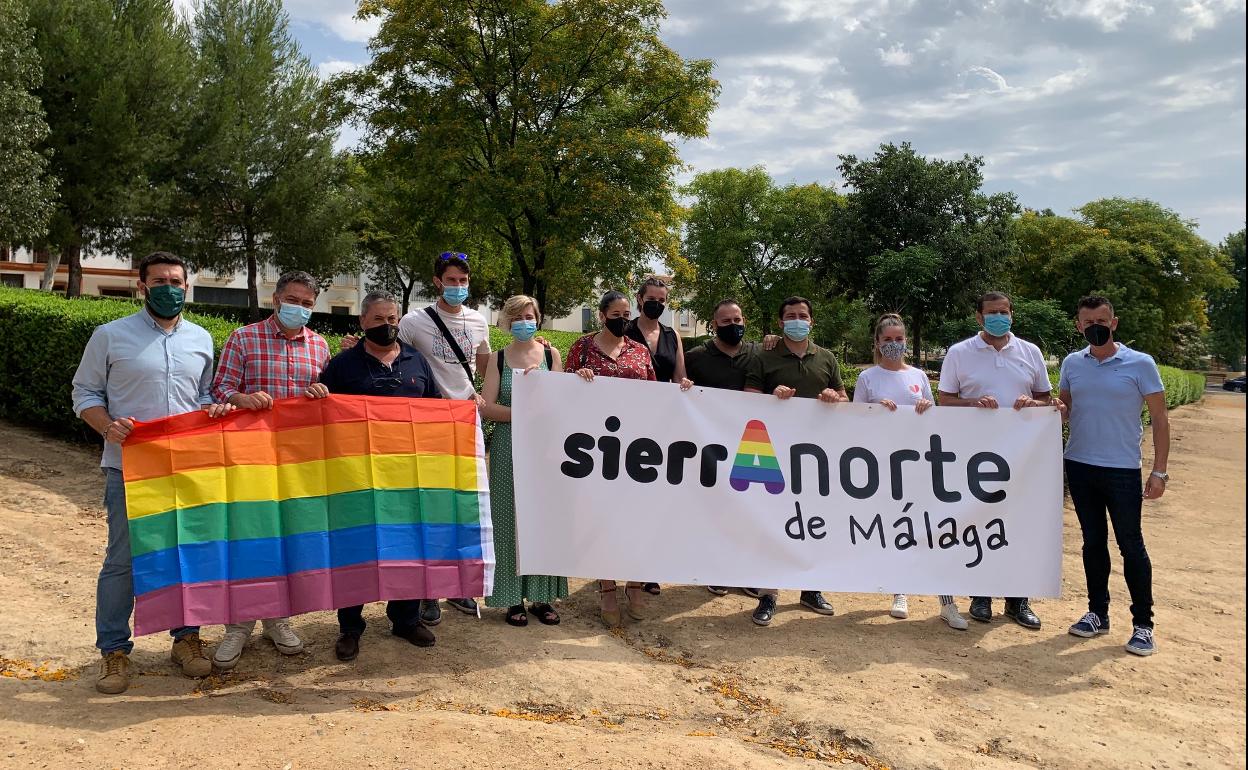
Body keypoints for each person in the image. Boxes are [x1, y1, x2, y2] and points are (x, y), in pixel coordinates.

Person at [71, 251, 234, 694]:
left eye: (177, 281)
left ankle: (186, 640)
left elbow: (201, 396)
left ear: (187, 286)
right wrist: (107, 427)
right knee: (123, 559)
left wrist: (213, 409)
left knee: (185, 552)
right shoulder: (110, 335)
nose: (169, 287)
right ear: (142, 285)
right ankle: (114, 651)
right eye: (159, 280)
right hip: (128, 467)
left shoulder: (201, 338)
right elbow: (83, 393)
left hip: (185, 469)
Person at [209, 270, 332, 670]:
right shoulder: (243, 338)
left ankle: (278, 619)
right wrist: (241, 398)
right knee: (248, 537)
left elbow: (329, 401)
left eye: (308, 303)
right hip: (249, 457)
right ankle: (237, 625)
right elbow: (219, 390)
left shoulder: (319, 346)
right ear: (276, 298)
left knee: (287, 541)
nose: (300, 308)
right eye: (293, 299)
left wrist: (321, 394)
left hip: (298, 462)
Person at [319, 290, 442, 662]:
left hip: (406, 475)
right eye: (378, 320)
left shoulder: (416, 360)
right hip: (355, 476)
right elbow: (322, 416)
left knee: (405, 545)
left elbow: (436, 410)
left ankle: (404, 618)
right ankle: (350, 627)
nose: (386, 326)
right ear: (362, 322)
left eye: (392, 319)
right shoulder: (342, 365)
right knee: (355, 548)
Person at [937, 291, 1064, 630]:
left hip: (1022, 458)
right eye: (991, 312)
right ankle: (981, 596)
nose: (999, 317)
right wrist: (973, 403)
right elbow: (945, 399)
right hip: (973, 457)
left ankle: (1018, 601)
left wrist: (1032, 403)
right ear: (979, 318)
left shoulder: (1030, 352)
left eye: (1004, 312)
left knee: (1020, 525)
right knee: (980, 523)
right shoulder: (959, 353)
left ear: (1012, 314)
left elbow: (1044, 399)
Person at [1059, 296, 1168, 656]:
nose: (1095, 326)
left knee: (1131, 545)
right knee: (1092, 543)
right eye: (1088, 321)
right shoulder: (1072, 364)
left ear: (1114, 322)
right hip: (1080, 464)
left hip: (1122, 469)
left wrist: (1159, 471)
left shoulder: (1141, 363)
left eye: (1102, 320)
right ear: (1079, 325)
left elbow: (1161, 421)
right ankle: (1097, 613)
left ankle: (1143, 625)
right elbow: (1063, 411)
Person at [851, 314, 968, 631]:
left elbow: (933, 415)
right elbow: (853, 423)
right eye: (887, 339)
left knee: (932, 530)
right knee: (896, 529)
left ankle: (947, 603)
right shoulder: (868, 379)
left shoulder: (918, 376)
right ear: (877, 342)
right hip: (883, 467)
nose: (893, 344)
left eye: (898, 338)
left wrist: (926, 409)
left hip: (921, 465)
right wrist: (875, 412)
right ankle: (899, 591)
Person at [396, 252, 491, 623]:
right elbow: (395, 358)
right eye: (451, 280)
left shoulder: (478, 320)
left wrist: (535, 360)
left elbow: (485, 366)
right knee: (429, 507)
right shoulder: (414, 321)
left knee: (464, 506)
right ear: (437, 281)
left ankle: (458, 587)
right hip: (428, 423)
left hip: (467, 422)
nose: (457, 287)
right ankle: (427, 592)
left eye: (463, 281)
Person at [743, 296, 843, 622]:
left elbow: (844, 397)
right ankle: (768, 594)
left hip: (817, 458)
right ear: (780, 321)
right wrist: (773, 400)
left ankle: (810, 589)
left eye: (802, 315)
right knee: (772, 524)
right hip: (773, 455)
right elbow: (749, 398)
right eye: (790, 316)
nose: (797, 320)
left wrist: (834, 398)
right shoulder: (764, 356)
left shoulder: (826, 358)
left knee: (812, 522)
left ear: (812, 321)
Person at [566, 290, 657, 626]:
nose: (622, 319)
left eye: (626, 313)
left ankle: (634, 583)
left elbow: (655, 395)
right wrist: (579, 380)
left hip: (636, 450)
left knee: (634, 518)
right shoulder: (582, 348)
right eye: (615, 314)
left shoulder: (639, 351)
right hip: (594, 449)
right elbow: (564, 393)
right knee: (601, 519)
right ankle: (606, 587)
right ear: (602, 316)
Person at [479, 295, 569, 627]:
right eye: (517, 317)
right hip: (507, 446)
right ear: (506, 321)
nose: (523, 321)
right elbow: (486, 406)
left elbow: (561, 402)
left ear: (538, 318)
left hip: (545, 449)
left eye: (529, 316)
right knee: (507, 518)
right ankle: (511, 598)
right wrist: (523, 413)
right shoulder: (497, 359)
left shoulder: (550, 354)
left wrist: (540, 387)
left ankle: (542, 597)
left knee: (543, 518)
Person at [624, 276, 687, 598]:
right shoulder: (625, 329)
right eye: (652, 298)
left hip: (660, 427)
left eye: (662, 300)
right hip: (625, 426)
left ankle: (647, 569)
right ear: (639, 298)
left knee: (654, 500)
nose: (657, 304)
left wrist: (686, 389)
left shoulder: (672, 334)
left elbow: (679, 377)